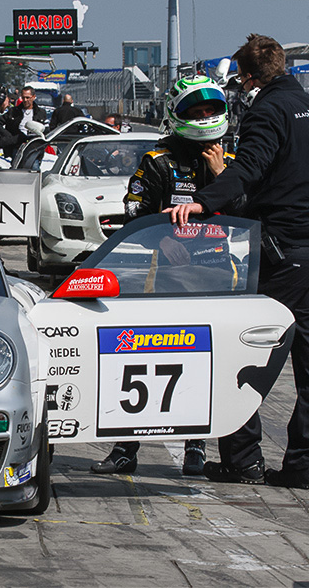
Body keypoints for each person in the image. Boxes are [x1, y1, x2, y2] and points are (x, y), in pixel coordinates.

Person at [166, 34, 309, 489]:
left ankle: (242, 460)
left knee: (239, 348)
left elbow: (248, 168)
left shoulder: (268, 110)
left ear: (247, 79)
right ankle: (305, 464)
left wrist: (203, 202)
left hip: (284, 251)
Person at [92, 74, 235, 477]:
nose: (206, 117)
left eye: (211, 110)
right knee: (144, 355)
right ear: (179, 115)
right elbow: (133, 209)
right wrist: (160, 239)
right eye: (197, 111)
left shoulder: (232, 160)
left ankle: (197, 448)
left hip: (218, 275)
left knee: (206, 360)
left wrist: (221, 171)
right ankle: (125, 449)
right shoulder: (158, 160)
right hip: (166, 277)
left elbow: (248, 208)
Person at [4, 85, 49, 154]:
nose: (25, 100)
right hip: (17, 146)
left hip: (34, 148)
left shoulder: (41, 112)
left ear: (33, 97)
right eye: (23, 97)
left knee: (34, 164)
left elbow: (46, 129)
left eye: (28, 98)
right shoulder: (13, 111)